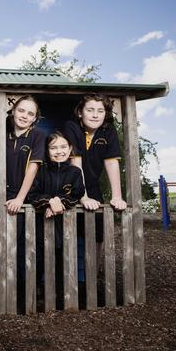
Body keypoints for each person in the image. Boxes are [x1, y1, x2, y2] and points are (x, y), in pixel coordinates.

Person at [62, 93, 127, 270]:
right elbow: (76, 164)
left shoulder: (108, 131)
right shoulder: (71, 127)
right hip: (68, 187)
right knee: (66, 232)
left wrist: (117, 197)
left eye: (100, 111)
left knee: (99, 233)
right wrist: (82, 198)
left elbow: (112, 162)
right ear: (80, 112)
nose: (95, 115)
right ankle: (67, 274)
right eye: (90, 110)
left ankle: (92, 274)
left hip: (93, 186)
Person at [28, 132, 85, 292]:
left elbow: (77, 193)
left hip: (65, 225)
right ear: (47, 151)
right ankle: (36, 290)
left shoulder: (75, 172)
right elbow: (32, 194)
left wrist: (59, 202)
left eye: (63, 147)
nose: (59, 151)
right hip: (40, 224)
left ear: (70, 149)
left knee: (62, 256)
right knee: (39, 256)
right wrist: (49, 202)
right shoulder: (41, 171)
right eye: (53, 148)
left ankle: (60, 293)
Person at [0, 95, 46, 222]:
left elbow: (32, 169)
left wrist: (19, 199)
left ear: (34, 118)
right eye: (21, 110)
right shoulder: (2, 137)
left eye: (30, 113)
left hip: (26, 200)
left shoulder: (38, 136)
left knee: (23, 240)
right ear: (13, 111)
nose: (24, 116)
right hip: (0, 199)